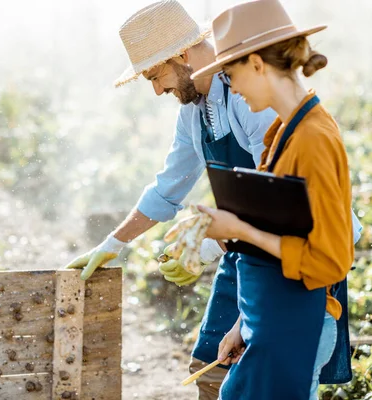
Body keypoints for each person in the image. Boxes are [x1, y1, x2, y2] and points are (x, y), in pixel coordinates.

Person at [64, 1, 277, 398]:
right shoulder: (194, 112)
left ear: (180, 54)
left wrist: (212, 244)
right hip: (243, 252)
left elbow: (279, 192)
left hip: (285, 249)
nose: (158, 89)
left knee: (261, 377)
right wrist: (114, 243)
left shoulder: (250, 96)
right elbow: (167, 189)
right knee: (209, 373)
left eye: (155, 76)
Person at [190, 1, 357, 399]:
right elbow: (282, 233)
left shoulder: (313, 139)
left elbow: (332, 260)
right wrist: (241, 326)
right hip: (270, 326)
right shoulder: (284, 132)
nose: (234, 87)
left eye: (231, 74)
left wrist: (239, 228)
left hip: (296, 332)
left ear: (257, 64)